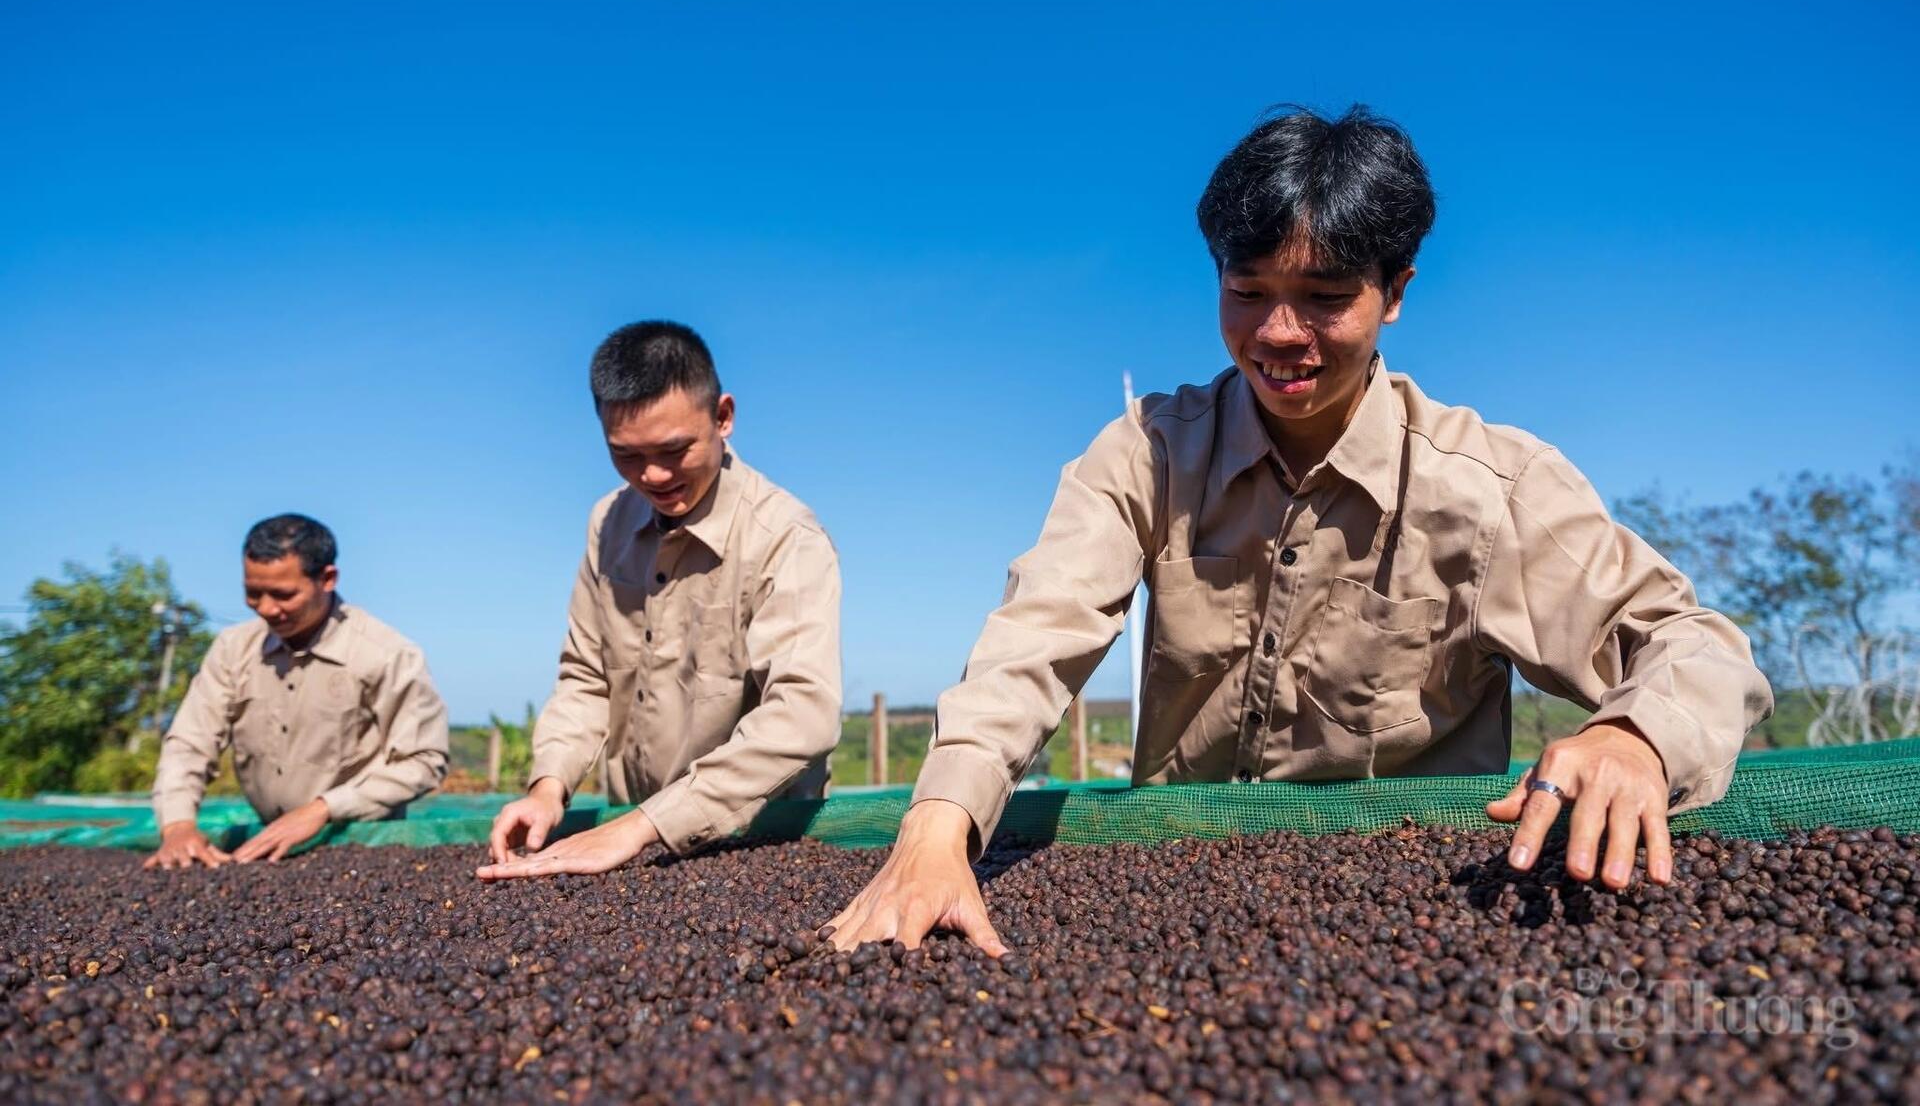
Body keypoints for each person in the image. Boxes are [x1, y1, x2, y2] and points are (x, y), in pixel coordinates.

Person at [824, 105, 1775, 955]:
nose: (1280, 331)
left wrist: (1636, 740)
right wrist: (938, 825)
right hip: (1174, 905)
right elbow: (1034, 639)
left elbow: (1695, 645)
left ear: (1394, 292)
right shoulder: (1148, 454)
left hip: (1422, 916)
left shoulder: (1491, 489)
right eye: (1247, 292)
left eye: (1325, 297)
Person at [476, 321, 841, 879]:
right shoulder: (608, 522)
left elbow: (802, 716)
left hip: (761, 839)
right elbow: (586, 678)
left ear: (723, 417)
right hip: (631, 842)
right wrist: (548, 788)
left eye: (674, 450)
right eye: (625, 455)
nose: (652, 475)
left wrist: (645, 825)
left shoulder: (785, 538)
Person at [146, 514, 450, 868]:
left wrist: (324, 809)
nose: (266, 608)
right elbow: (190, 743)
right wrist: (178, 826)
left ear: (327, 579)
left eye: (283, 595)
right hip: (265, 851)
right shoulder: (234, 649)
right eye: (253, 593)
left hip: (362, 847)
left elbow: (423, 760)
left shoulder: (386, 654)